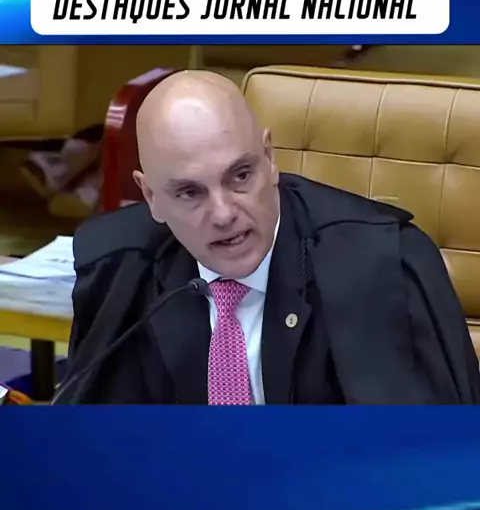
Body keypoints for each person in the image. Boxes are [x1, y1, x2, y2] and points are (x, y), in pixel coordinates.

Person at [57, 70, 480, 405]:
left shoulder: (385, 266)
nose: (224, 214)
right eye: (190, 192)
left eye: (241, 176)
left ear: (270, 159)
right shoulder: (119, 267)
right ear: (151, 197)